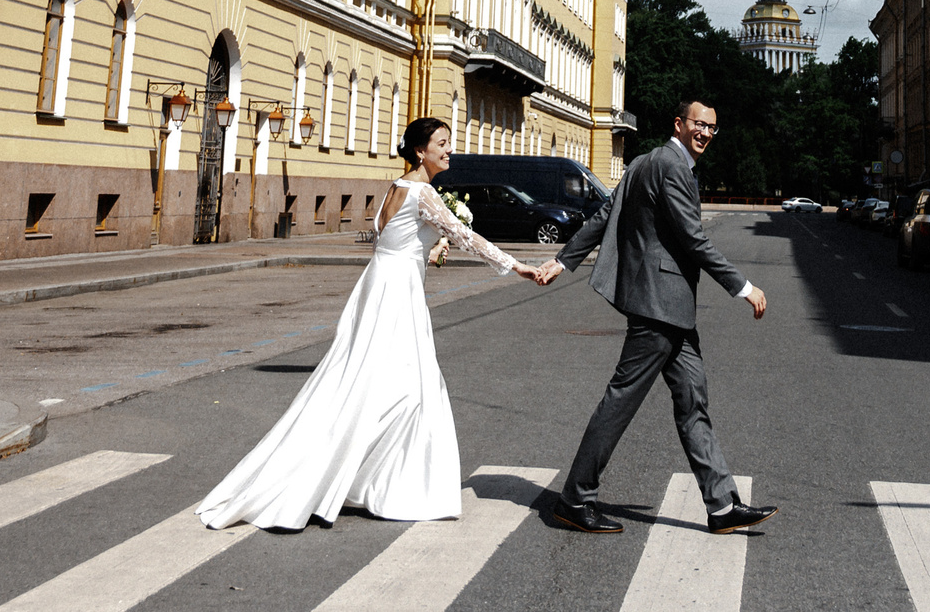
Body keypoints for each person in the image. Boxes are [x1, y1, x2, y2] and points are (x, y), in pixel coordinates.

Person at [197, 117, 547, 531]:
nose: (449, 149)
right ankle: (394, 485)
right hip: (396, 297)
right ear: (421, 151)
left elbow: (394, 242)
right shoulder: (422, 193)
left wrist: (428, 249)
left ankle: (368, 478)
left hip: (378, 290)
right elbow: (471, 239)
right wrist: (519, 266)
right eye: (442, 143)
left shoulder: (394, 189)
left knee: (369, 382)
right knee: (409, 386)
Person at [534, 97, 778, 536]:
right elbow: (693, 239)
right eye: (699, 124)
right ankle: (575, 498)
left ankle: (721, 504)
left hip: (670, 309)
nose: (705, 133)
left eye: (712, 128)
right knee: (621, 400)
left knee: (692, 402)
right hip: (658, 305)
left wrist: (565, 259)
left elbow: (607, 213)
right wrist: (743, 287)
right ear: (679, 123)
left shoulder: (647, 160)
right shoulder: (671, 167)